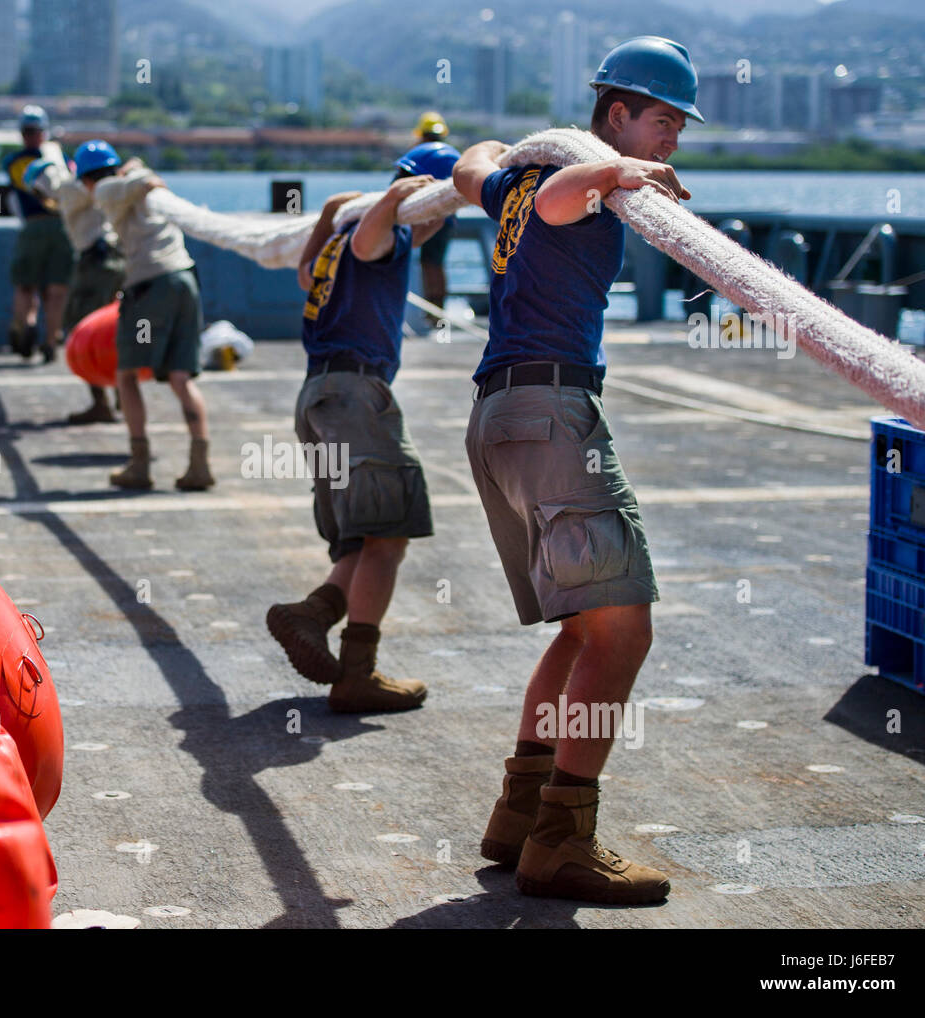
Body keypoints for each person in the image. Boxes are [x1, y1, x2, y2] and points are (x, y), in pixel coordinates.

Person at [452, 36, 701, 904]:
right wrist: (615, 174)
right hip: (552, 411)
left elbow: (467, 171)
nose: (671, 139)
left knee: (581, 629)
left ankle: (519, 817)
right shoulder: (577, 181)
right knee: (624, 631)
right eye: (661, 120)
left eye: (677, 126)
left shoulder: (517, 184)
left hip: (498, 417)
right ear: (615, 112)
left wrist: (507, 155)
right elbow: (565, 199)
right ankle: (565, 835)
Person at [265, 142, 456, 713]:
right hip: (354, 395)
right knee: (389, 533)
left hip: (317, 396)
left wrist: (328, 211)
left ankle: (312, 615)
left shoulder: (332, 250)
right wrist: (399, 200)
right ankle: (358, 675)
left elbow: (303, 273)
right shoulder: (382, 236)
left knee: (362, 537)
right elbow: (377, 239)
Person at [93, 152, 213, 491]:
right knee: (180, 377)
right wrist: (135, 168)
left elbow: (144, 181)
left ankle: (139, 464)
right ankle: (199, 464)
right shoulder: (141, 194)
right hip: (185, 281)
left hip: (150, 288)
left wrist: (135, 173)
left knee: (127, 375)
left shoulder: (105, 190)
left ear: (90, 179)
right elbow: (143, 176)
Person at [26, 139, 126, 424]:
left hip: (96, 265)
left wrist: (48, 156)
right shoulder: (115, 192)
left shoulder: (74, 191)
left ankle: (104, 401)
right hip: (121, 260)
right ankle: (122, 393)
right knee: (118, 329)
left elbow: (55, 187)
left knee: (85, 333)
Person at [1, 105, 72, 362]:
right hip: (60, 227)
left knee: (25, 285)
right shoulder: (61, 162)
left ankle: (26, 323)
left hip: (32, 226)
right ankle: (51, 339)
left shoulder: (13, 162)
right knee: (56, 290)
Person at [413, 114, 456, 324]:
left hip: (425, 219)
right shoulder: (450, 155)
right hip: (446, 219)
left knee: (429, 264)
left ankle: (433, 313)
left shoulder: (421, 154)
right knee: (437, 264)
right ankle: (438, 311)